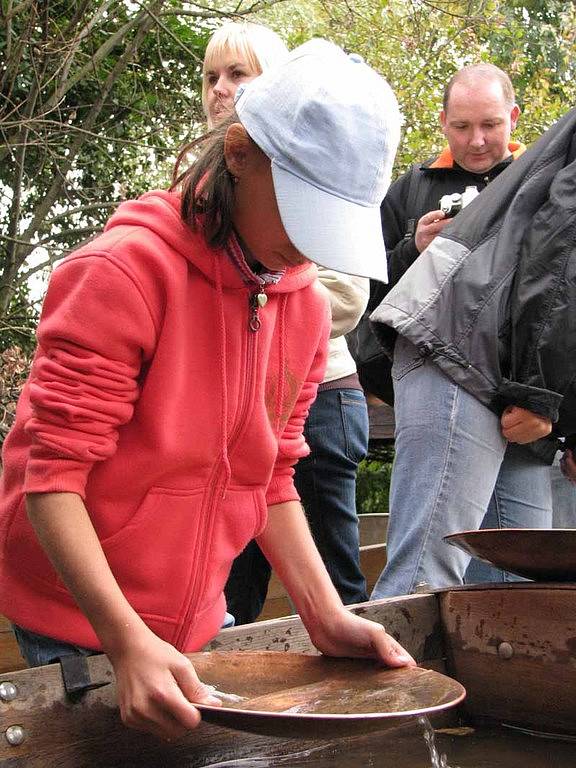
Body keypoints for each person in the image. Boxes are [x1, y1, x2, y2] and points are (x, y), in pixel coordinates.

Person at [0, 39, 414, 742]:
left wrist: (323, 612)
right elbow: (52, 478)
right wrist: (124, 640)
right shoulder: (123, 274)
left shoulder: (305, 306)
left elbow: (272, 474)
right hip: (78, 616)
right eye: (303, 209)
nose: (311, 246)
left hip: (196, 615)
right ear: (239, 153)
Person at [370, 101, 576, 595]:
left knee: (521, 586)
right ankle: (392, 670)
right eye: (462, 126)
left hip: (514, 368)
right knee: (423, 578)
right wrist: (538, 393)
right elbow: (562, 250)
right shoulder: (414, 185)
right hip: (459, 345)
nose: (477, 138)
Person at [201, 23, 370, 624]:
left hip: (319, 397)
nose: (222, 88)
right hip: (233, 405)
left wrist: (264, 296)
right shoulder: (193, 200)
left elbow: (345, 297)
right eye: (213, 75)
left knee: (333, 571)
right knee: (235, 580)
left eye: (239, 74)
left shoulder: (319, 176)